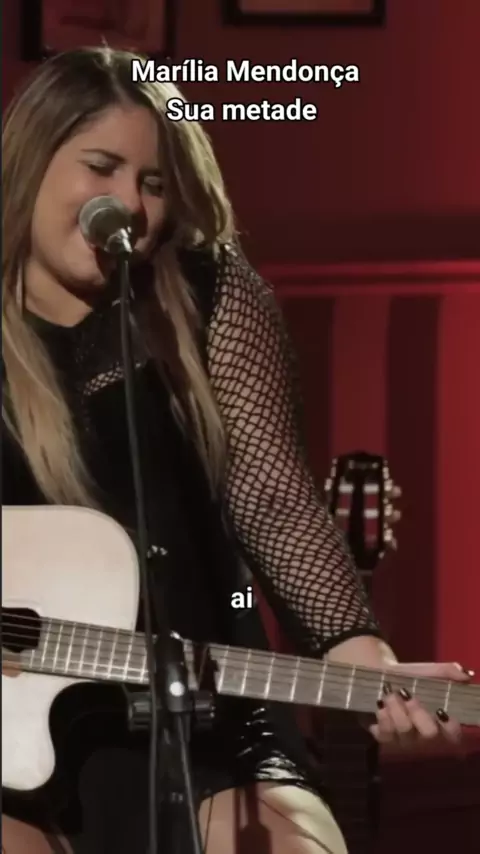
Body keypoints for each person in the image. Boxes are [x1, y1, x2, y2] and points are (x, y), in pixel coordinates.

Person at [1, 47, 472, 854]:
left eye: (153, 183)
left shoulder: (205, 293)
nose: (129, 204)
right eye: (102, 168)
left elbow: (273, 497)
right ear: (31, 161)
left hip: (210, 717)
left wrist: (366, 659)